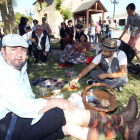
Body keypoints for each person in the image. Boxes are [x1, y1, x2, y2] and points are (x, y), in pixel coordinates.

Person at [1, 34, 140, 140]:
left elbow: (122, 72)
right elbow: (23, 107)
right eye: (13, 49)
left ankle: (127, 132)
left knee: (70, 128)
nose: (19, 54)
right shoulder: (3, 73)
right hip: (9, 126)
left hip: (119, 77)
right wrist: (57, 101)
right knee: (65, 112)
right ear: (3, 51)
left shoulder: (18, 65)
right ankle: (120, 120)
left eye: (22, 50)